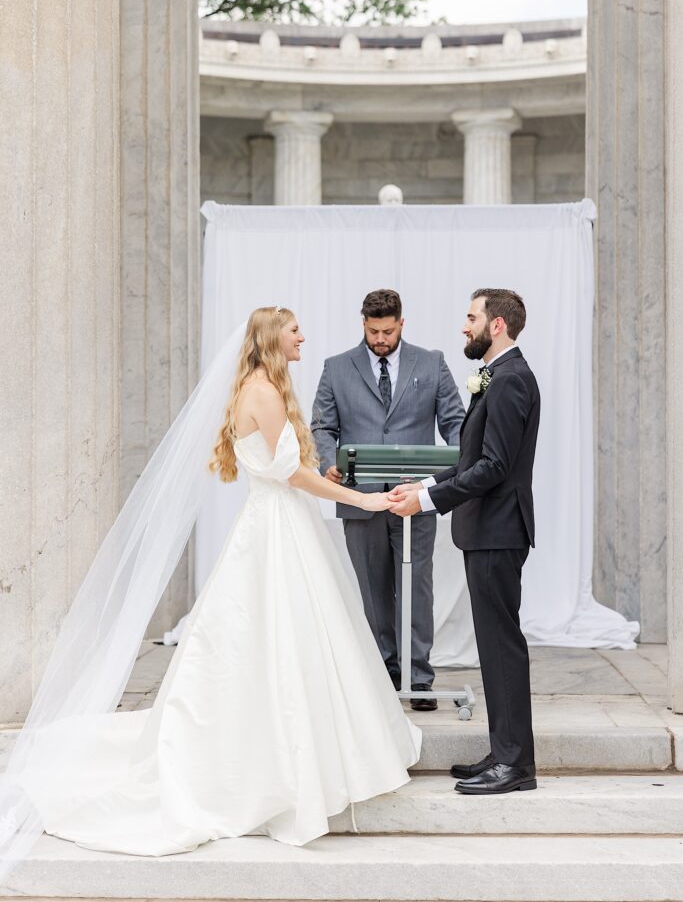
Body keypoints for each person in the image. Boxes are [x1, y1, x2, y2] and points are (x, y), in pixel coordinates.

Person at [1, 308, 420, 865]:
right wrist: (366, 500)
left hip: (276, 524)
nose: (303, 337)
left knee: (284, 638)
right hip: (277, 528)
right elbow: (291, 475)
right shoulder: (266, 392)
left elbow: (286, 468)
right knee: (278, 637)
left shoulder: (263, 385)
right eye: (294, 330)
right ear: (275, 338)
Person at [389, 289, 540, 794]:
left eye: (471, 317)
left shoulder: (512, 380)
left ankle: (515, 766)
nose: (464, 327)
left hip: (499, 531)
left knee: (502, 647)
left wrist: (429, 504)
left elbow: (495, 467)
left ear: (496, 325)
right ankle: (503, 753)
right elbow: (475, 459)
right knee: (494, 649)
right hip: (486, 531)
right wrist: (426, 486)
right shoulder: (496, 379)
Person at [311, 290, 465, 710]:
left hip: (415, 497)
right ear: (363, 322)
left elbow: (455, 422)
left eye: (388, 330)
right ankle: (384, 673)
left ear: (402, 323)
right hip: (359, 497)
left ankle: (418, 677)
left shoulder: (431, 362)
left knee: (417, 584)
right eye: (373, 330)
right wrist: (327, 461)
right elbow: (322, 426)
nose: (380, 338)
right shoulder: (336, 368)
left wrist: (454, 472)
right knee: (373, 587)